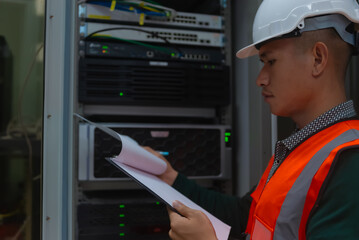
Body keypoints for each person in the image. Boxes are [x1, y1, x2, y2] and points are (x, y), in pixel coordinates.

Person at [145, 0, 359, 239]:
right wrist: (170, 179)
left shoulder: (349, 161)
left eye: (270, 61)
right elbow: (246, 216)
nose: (261, 79)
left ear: (317, 58)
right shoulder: (302, 148)